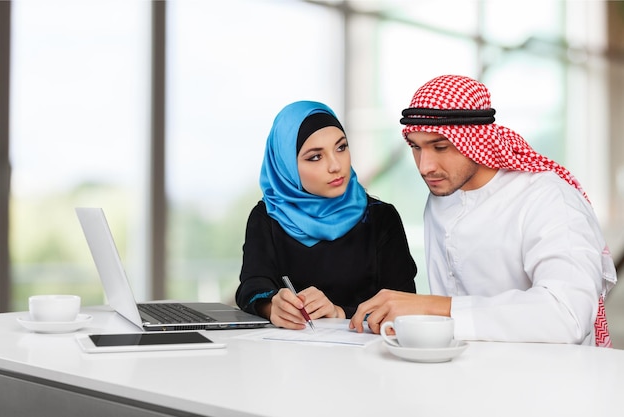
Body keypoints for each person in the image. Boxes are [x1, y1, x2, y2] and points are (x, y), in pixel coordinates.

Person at [350, 74, 617, 346]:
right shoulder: (442, 196)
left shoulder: (548, 199)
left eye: (440, 146)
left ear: (476, 139)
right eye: (416, 147)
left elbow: (567, 316)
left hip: (547, 380)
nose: (425, 166)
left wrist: (433, 308)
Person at [236, 100, 417, 330]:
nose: (335, 165)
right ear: (287, 166)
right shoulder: (268, 216)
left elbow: (406, 304)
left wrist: (339, 312)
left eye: (341, 147)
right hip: (288, 359)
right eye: (315, 157)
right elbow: (251, 286)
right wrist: (272, 306)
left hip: (367, 360)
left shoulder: (381, 219)